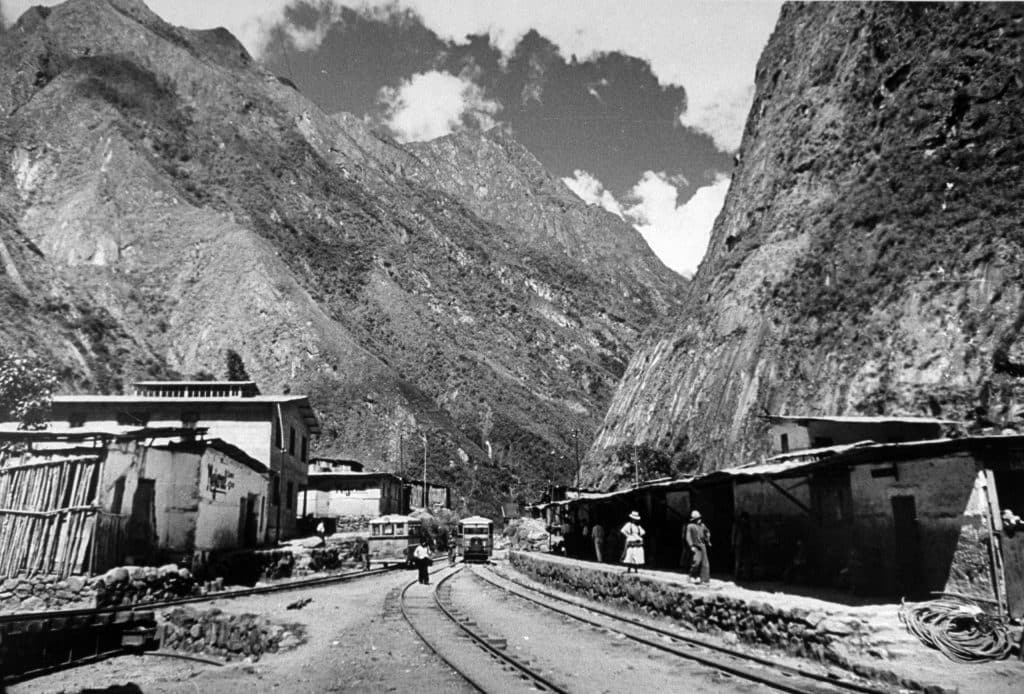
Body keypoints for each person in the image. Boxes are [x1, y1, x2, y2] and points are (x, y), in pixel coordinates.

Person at [686, 510, 711, 584]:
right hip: (696, 546)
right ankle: (691, 576)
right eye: (697, 518)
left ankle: (702, 578)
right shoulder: (690, 526)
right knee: (696, 562)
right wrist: (691, 545)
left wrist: (707, 536)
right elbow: (688, 537)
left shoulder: (702, 525)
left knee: (704, 563)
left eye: (699, 518)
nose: (699, 519)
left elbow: (707, 532)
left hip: (702, 545)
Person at [731, 512, 752, 580]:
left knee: (745, 561)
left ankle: (745, 576)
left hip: (744, 544)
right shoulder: (738, 525)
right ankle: (737, 576)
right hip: (739, 544)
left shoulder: (747, 525)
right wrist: (733, 543)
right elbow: (734, 534)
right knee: (738, 561)